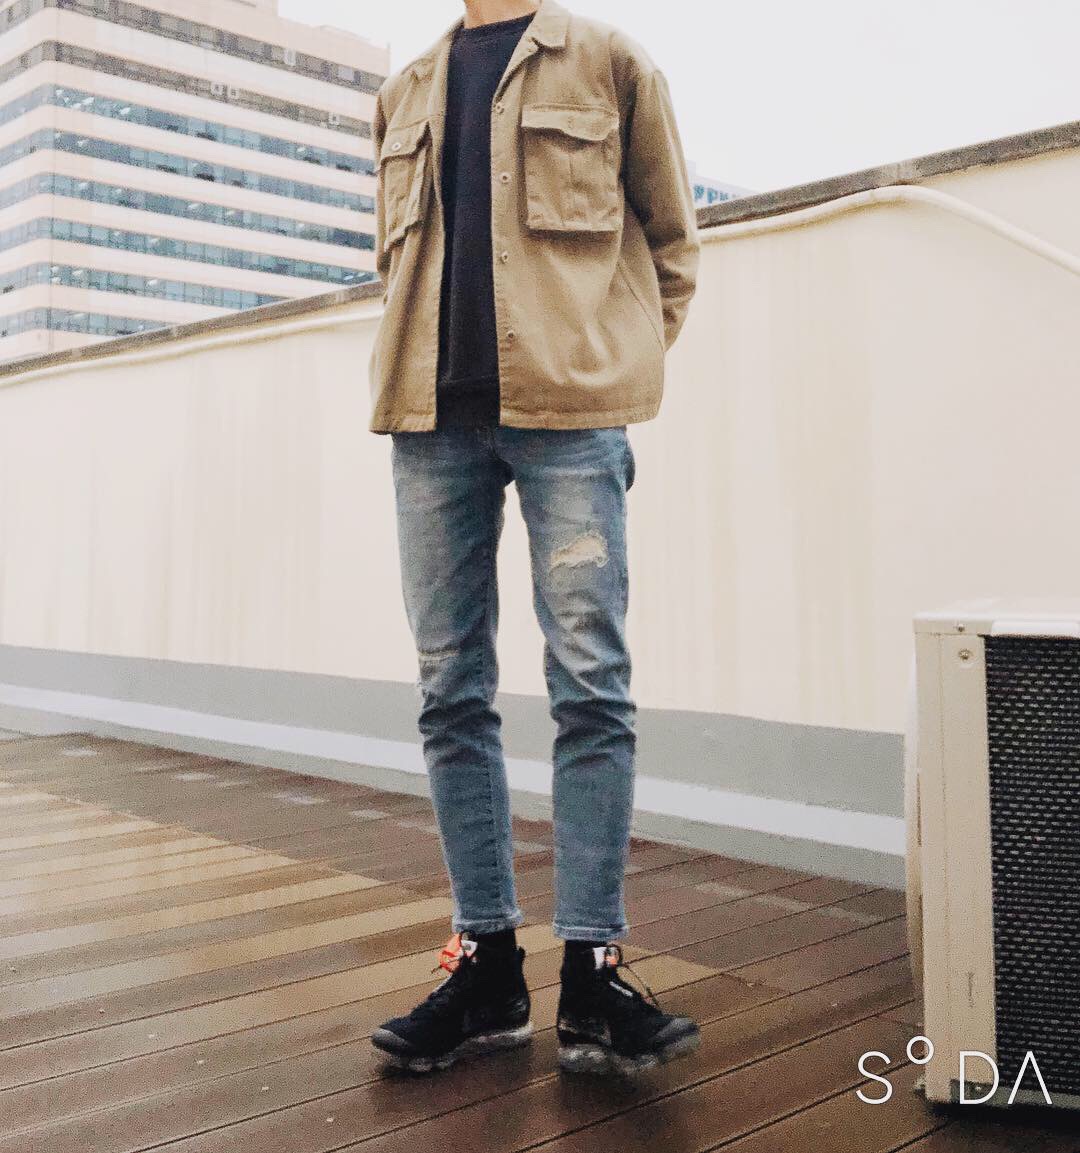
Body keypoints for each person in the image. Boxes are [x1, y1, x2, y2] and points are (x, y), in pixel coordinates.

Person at [367, 0, 700, 1076]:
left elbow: (673, 245)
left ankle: (593, 972)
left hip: (571, 424)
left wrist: (611, 366)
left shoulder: (609, 63)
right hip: (429, 423)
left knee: (591, 684)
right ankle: (488, 968)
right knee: (448, 689)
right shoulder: (405, 91)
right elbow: (395, 269)